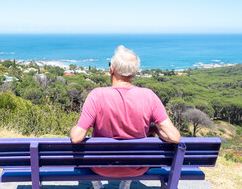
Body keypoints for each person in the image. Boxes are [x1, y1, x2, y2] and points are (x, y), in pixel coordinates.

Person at [70, 45, 180, 189]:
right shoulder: (149, 96)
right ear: (134, 73)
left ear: (112, 69)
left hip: (100, 167)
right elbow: (174, 137)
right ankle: (126, 183)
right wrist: (154, 128)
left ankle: (97, 186)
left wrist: (74, 128)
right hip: (136, 168)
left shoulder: (96, 95)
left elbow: (77, 137)